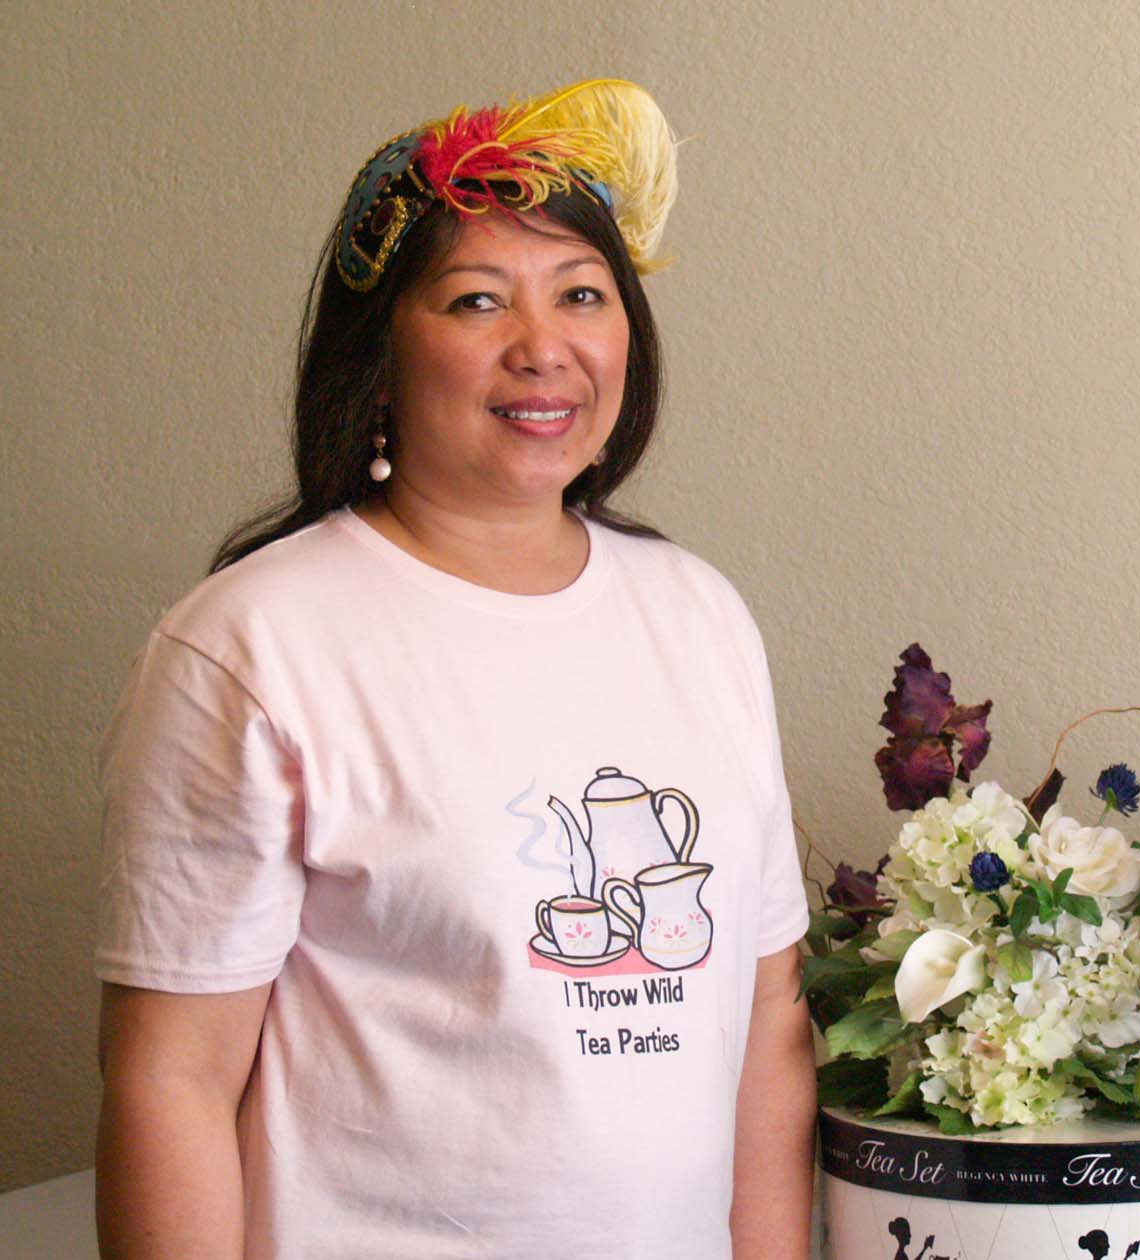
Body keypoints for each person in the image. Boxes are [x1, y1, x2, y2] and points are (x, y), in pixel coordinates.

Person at [93, 78, 814, 1259]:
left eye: (581, 294)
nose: (544, 347)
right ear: (378, 356)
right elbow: (169, 1082)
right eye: (478, 300)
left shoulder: (701, 615)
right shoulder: (252, 645)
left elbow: (769, 1013)